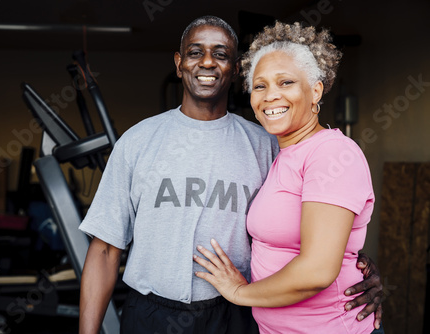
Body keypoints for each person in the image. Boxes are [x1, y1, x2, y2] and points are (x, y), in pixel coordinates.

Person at [79, 16, 383, 334]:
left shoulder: (268, 146)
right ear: (179, 62)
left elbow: (319, 229)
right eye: (195, 52)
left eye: (221, 54)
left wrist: (355, 265)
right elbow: (103, 249)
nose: (207, 62)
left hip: (234, 313)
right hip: (151, 313)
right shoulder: (137, 142)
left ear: (235, 68)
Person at [193, 21, 383, 333]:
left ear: (316, 90)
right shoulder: (282, 155)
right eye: (260, 85)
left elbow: (318, 270)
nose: (270, 96)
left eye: (286, 82)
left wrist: (239, 293)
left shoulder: (331, 153)